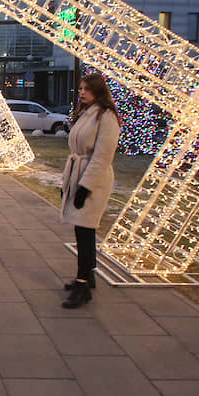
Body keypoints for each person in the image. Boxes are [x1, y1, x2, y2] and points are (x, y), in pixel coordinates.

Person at [59, 73, 120, 309]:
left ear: (97, 91)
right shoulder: (87, 113)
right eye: (81, 89)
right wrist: (68, 184)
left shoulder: (106, 117)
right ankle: (86, 276)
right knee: (81, 230)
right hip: (78, 174)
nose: (81, 92)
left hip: (93, 179)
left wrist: (85, 186)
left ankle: (83, 284)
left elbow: (103, 155)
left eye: (86, 89)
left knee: (85, 232)